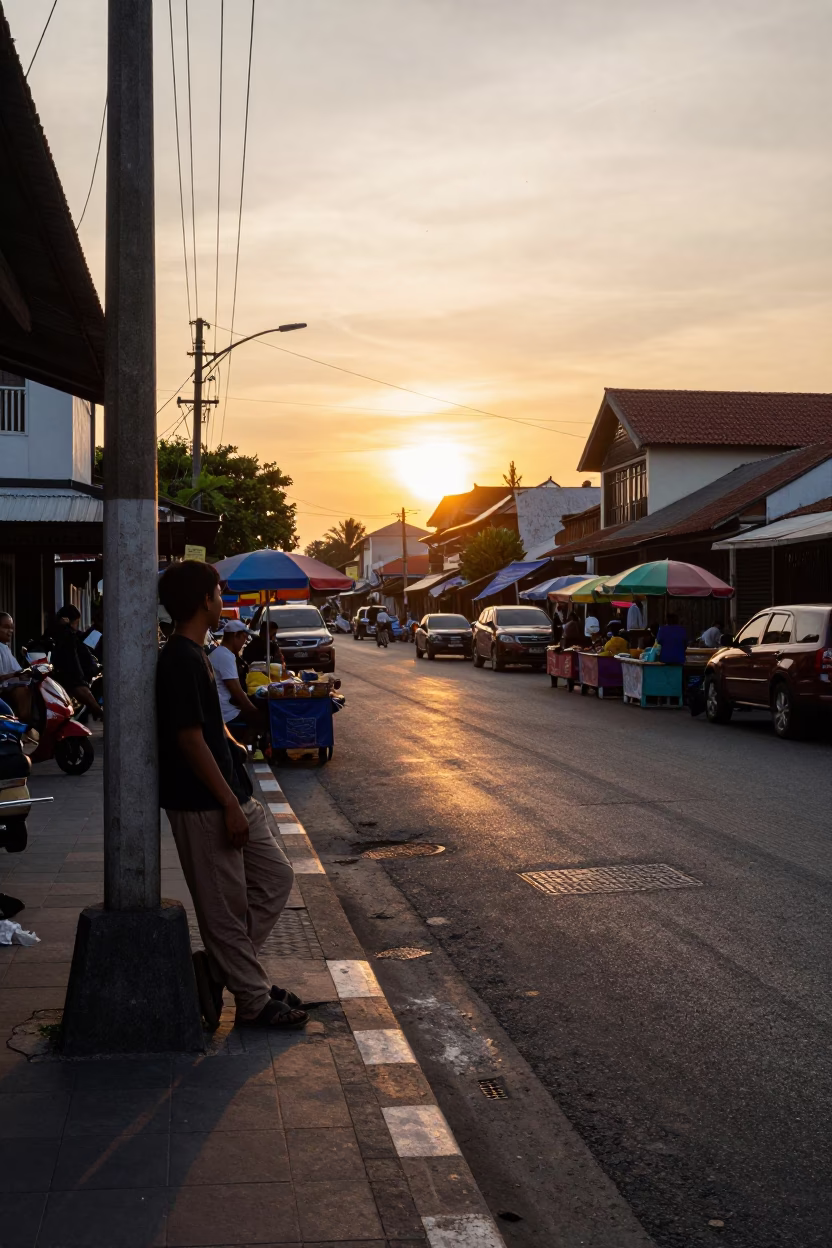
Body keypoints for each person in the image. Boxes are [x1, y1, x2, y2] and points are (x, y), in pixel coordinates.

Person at [157, 560, 307, 1030]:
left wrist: (233, 742)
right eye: (218, 593)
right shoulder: (179, 658)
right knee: (225, 910)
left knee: (276, 880)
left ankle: (219, 971)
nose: (222, 599)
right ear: (205, 600)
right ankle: (253, 999)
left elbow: (207, 724)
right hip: (205, 804)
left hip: (233, 791)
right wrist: (227, 804)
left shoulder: (200, 652)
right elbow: (188, 739)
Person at [208, 621, 264, 744]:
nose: (245, 641)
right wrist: (253, 710)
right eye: (244, 637)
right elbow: (236, 690)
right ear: (236, 636)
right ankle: (243, 749)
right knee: (262, 718)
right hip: (227, 712)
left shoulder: (222, 653)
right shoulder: (225, 656)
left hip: (224, 706)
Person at [52, 605, 103, 720]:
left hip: (79, 675)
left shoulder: (74, 635)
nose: (76, 627)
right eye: (75, 623)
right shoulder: (66, 637)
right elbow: (72, 661)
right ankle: (98, 712)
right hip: (73, 678)